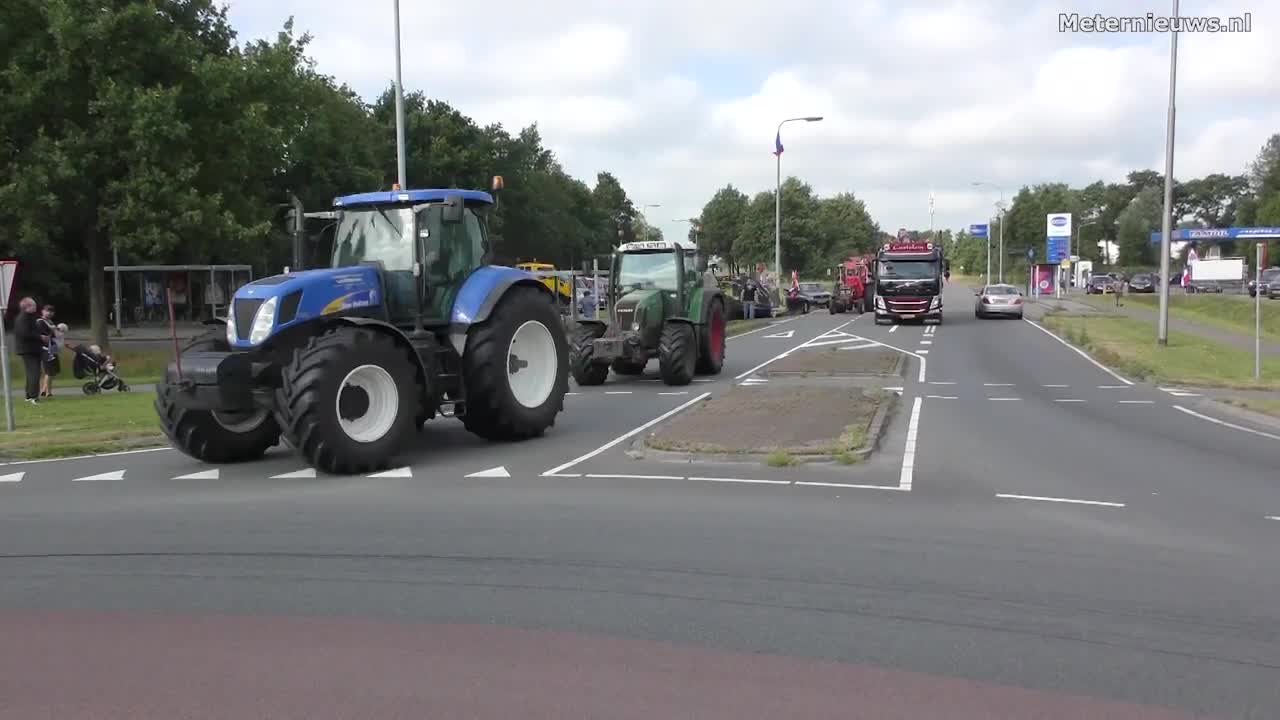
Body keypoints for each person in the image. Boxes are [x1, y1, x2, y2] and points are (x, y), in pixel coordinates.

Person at [12, 297, 46, 404]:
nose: (35, 307)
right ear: (27, 307)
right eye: (33, 305)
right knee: (34, 373)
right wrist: (40, 337)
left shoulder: (30, 317)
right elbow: (24, 333)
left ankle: (28, 395)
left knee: (32, 373)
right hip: (28, 350)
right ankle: (33, 397)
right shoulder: (23, 318)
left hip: (33, 349)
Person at [36, 305, 61, 398]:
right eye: (47, 311)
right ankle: (46, 391)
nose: (49, 313)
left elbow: (55, 336)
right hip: (45, 349)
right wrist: (53, 331)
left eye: (51, 311)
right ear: (42, 311)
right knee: (49, 370)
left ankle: (46, 390)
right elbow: (44, 337)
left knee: (53, 371)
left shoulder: (50, 322)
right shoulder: (40, 322)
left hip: (53, 348)